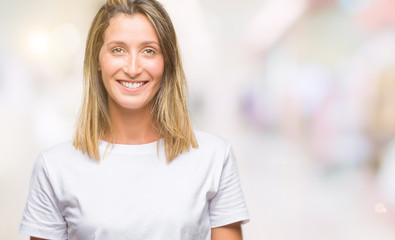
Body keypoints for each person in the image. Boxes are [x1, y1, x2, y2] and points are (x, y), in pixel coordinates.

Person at [19, 0, 249, 239]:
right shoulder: (54, 168)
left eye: (149, 50)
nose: (132, 68)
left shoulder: (214, 158)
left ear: (166, 61)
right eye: (118, 49)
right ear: (98, 60)